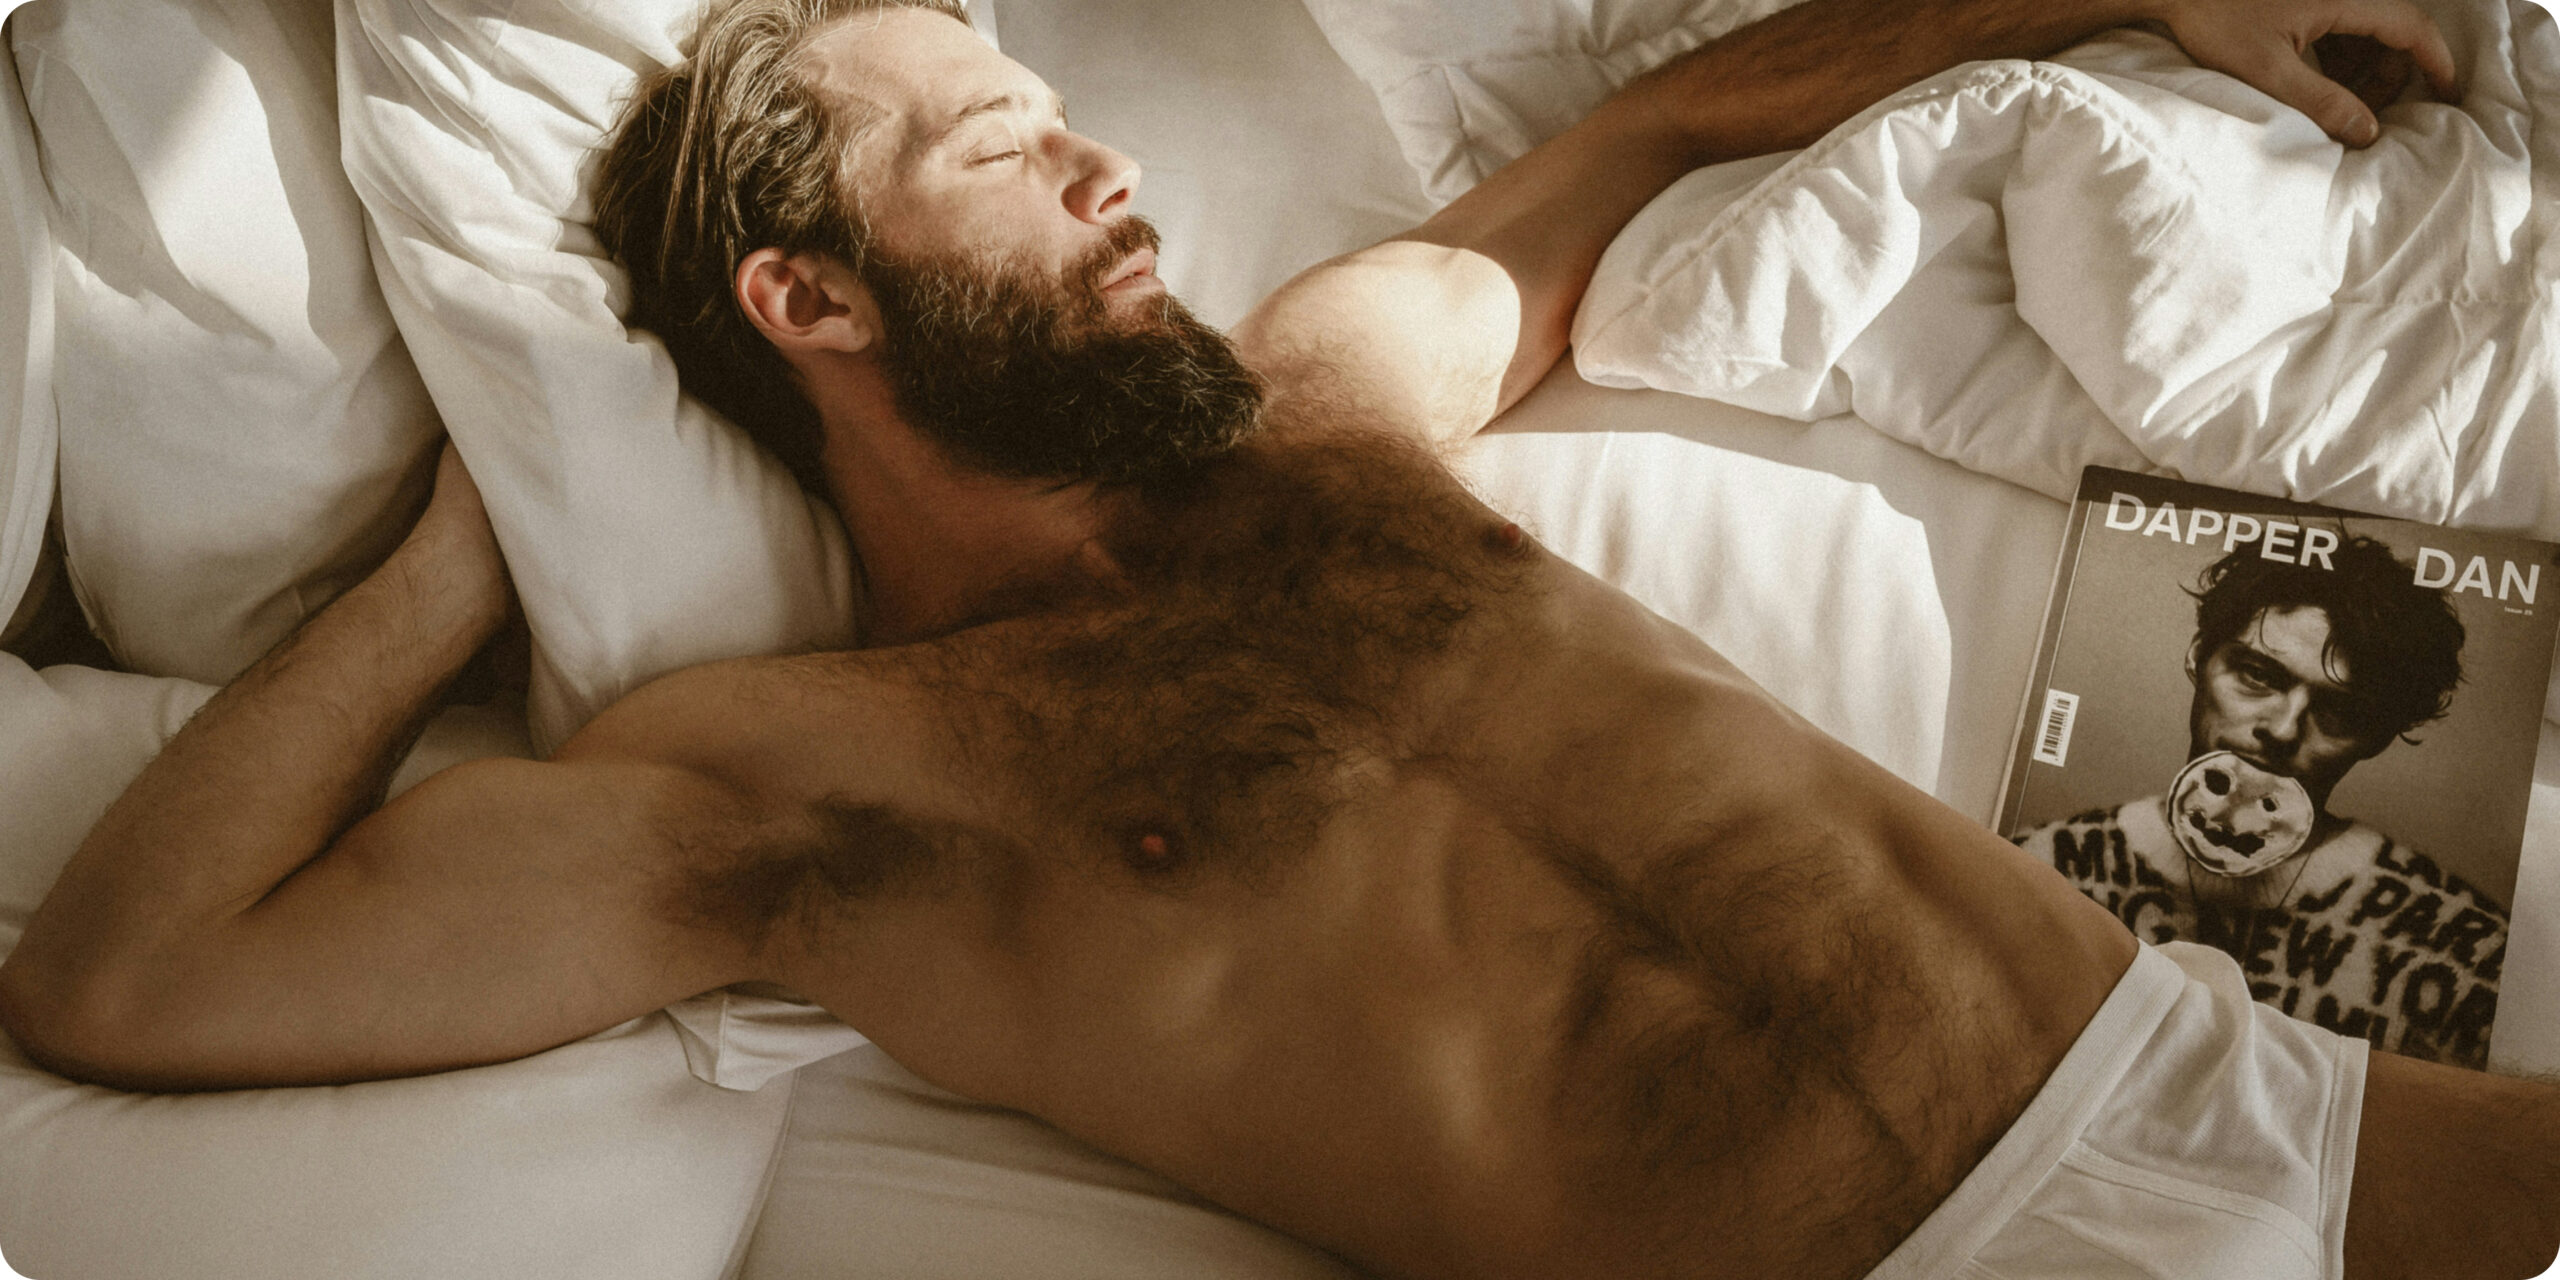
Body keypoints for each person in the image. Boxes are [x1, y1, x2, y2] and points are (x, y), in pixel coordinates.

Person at [3, 0, 2553, 1278]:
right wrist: (460, 551)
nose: (1098, 156)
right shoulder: (789, 785)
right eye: (1000, 146)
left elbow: (1668, 120)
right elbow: (132, 979)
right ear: (809, 298)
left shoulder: (1324, 414)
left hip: (2243, 1102)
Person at [2014, 533, 2508, 1069]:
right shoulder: (2036, 867)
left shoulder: (2465, 949)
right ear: (2198, 657)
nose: (2283, 728)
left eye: (2340, 711)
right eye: (2257, 676)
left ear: (2379, 737)